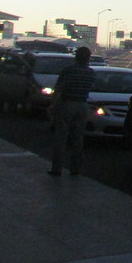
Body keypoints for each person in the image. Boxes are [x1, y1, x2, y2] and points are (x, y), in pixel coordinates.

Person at [48, 46, 96, 176]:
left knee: (61, 137)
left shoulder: (68, 71)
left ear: (76, 57)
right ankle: (75, 169)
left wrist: (52, 105)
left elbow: (59, 89)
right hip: (82, 105)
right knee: (78, 139)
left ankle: (56, 169)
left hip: (67, 104)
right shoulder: (91, 73)